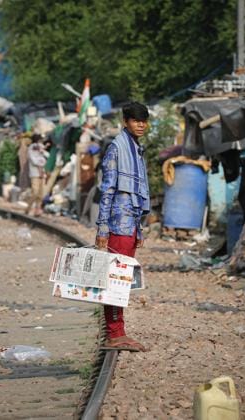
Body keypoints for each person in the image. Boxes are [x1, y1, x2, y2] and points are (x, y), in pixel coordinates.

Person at [95, 101, 150, 352]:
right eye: (136, 120)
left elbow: (137, 194)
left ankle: (118, 332)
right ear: (125, 121)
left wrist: (139, 229)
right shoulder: (117, 148)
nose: (141, 125)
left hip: (130, 225)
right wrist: (102, 228)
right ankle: (115, 333)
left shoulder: (136, 149)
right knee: (116, 280)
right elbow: (107, 190)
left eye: (143, 120)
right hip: (117, 224)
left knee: (122, 279)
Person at [26, 134, 47, 216]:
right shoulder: (31, 149)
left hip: (42, 173)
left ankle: (37, 210)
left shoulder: (41, 148)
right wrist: (41, 161)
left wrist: (42, 152)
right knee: (35, 192)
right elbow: (34, 161)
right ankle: (29, 208)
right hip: (35, 173)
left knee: (41, 193)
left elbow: (46, 157)